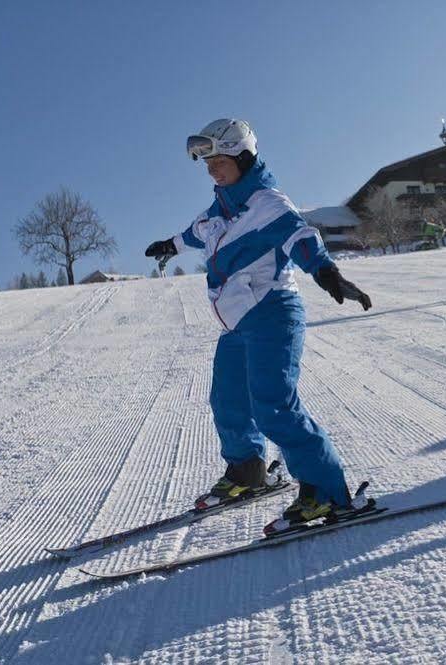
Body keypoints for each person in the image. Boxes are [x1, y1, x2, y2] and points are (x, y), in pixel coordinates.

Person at [144, 119, 372, 526]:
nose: (212, 169)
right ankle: (248, 471)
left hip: (271, 312)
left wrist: (326, 272)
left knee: (273, 405)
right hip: (235, 324)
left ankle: (327, 492)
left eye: (219, 160)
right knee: (228, 400)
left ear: (243, 156)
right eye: (207, 162)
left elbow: (301, 236)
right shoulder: (218, 212)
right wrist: (170, 245)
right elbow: (193, 234)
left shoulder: (267, 202)